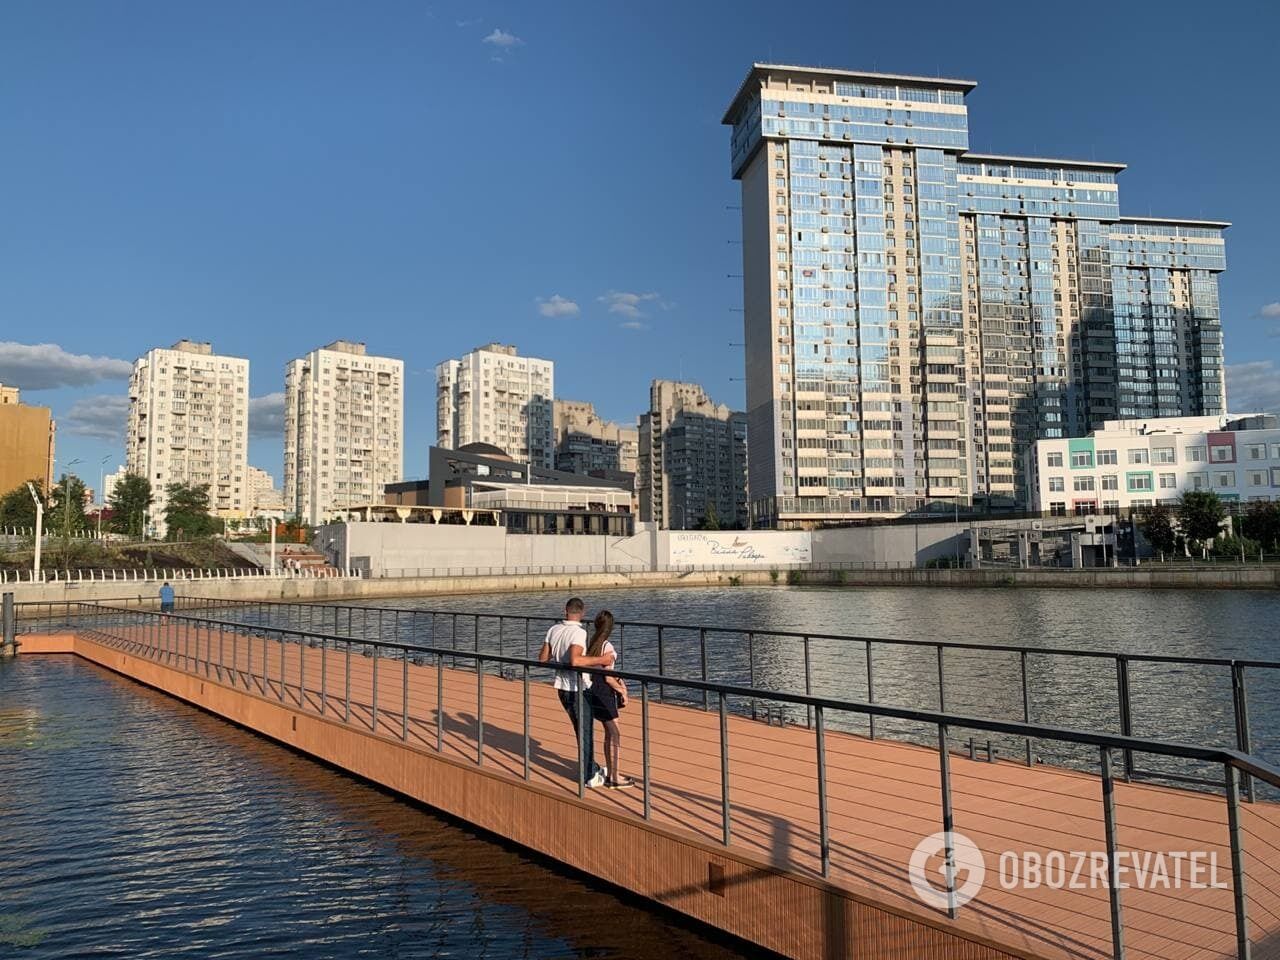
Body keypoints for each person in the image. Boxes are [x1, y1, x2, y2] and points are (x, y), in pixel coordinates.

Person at [538, 597, 615, 788]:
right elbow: (575, 660)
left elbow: (542, 659)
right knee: (585, 731)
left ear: (565, 610)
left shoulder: (553, 629)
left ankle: (591, 766)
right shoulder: (579, 633)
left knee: (580, 729)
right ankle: (589, 775)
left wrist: (560, 660)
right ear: (583, 612)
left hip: (561, 688)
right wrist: (602, 660)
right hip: (577, 688)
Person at [585, 611, 634, 789]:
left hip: (593, 689)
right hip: (604, 692)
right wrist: (623, 691)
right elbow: (608, 677)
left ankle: (613, 772)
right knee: (615, 734)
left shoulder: (591, 644)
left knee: (609, 733)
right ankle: (614, 776)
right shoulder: (608, 648)